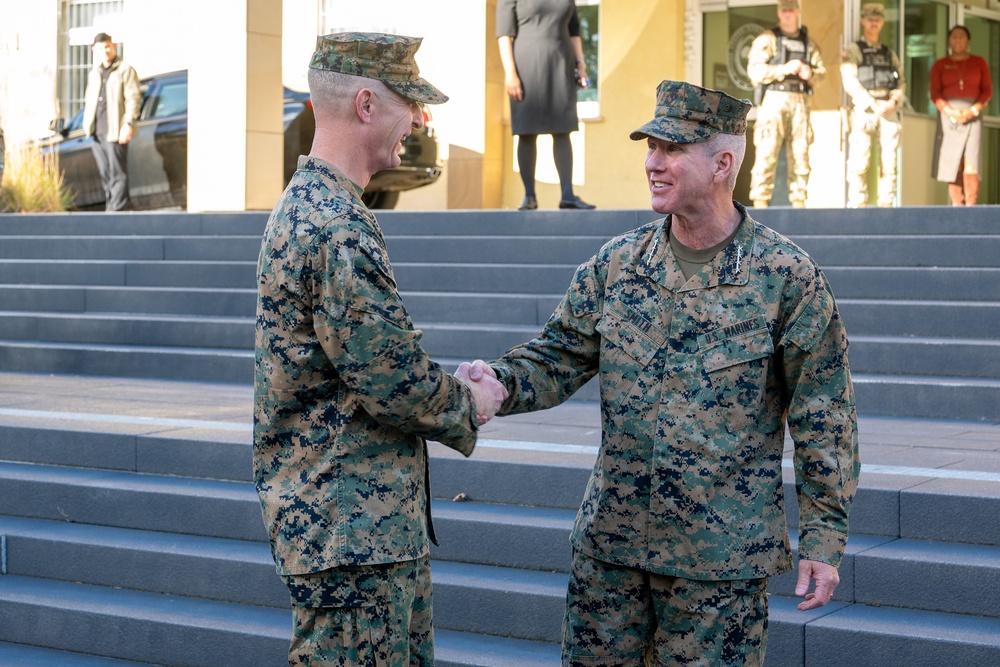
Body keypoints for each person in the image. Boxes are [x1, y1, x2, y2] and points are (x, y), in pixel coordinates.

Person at [462, 80, 860, 666]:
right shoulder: (616, 266)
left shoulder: (786, 279)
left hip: (718, 569)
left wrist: (824, 540)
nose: (653, 162)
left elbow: (824, 417)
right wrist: (497, 383)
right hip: (612, 556)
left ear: (723, 163)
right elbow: (558, 355)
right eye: (650, 146)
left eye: (671, 149)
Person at [254, 32, 508, 666]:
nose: (419, 120)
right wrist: (471, 397)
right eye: (410, 103)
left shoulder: (310, 207)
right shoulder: (336, 226)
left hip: (344, 529)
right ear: (366, 104)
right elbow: (390, 380)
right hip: (355, 540)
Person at [497, 0, 595, 210]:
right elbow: (504, 34)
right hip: (525, 66)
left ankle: (567, 195)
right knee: (526, 131)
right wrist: (510, 74)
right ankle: (529, 196)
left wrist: (581, 65)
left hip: (561, 64)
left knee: (564, 128)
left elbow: (574, 31)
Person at [747, 0, 825, 208]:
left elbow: (822, 73)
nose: (788, 14)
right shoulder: (768, 39)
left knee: (801, 153)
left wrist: (810, 74)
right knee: (767, 152)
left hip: (800, 100)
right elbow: (754, 71)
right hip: (775, 98)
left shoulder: (808, 43)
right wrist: (783, 69)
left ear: (798, 12)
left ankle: (799, 202)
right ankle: (761, 204)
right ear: (779, 13)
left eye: (791, 10)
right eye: (784, 10)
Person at [841, 3, 905, 208]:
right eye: (870, 19)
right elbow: (849, 80)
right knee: (859, 162)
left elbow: (901, 80)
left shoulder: (889, 53)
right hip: (865, 110)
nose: (874, 23)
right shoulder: (855, 49)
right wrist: (871, 103)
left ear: (883, 22)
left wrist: (893, 101)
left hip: (888, 110)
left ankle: (887, 207)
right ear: (863, 21)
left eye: (878, 19)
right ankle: (858, 207)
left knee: (889, 163)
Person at [930, 25, 993, 206]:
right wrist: (951, 111)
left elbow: (987, 90)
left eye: (962, 37)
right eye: (954, 37)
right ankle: (957, 206)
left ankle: (971, 206)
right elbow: (935, 94)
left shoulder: (979, 62)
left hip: (973, 115)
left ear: (968, 41)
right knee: (953, 160)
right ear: (949, 40)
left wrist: (973, 110)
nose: (958, 40)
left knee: (971, 160)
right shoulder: (940, 65)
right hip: (949, 116)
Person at [81, 32, 141, 211]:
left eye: (107, 46)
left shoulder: (125, 70)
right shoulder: (94, 73)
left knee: (118, 174)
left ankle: (116, 214)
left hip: (116, 131)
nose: (105, 51)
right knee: (106, 175)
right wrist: (86, 126)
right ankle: (111, 210)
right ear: (93, 50)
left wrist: (128, 123)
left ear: (113, 46)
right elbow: (89, 101)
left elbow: (133, 98)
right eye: (100, 48)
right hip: (97, 132)